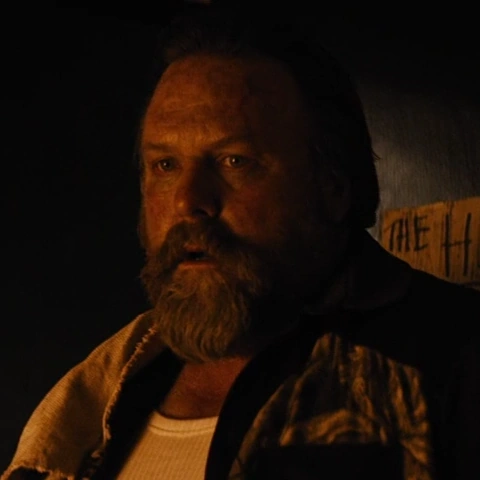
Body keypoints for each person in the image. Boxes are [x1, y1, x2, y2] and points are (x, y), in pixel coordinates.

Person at [3, 7, 479, 480]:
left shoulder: (455, 365)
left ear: (333, 186)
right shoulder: (104, 396)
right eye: (165, 165)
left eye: (235, 161)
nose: (189, 200)